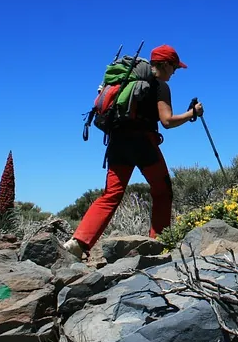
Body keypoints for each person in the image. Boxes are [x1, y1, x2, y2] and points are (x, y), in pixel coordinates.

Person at [63, 44, 203, 259]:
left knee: (111, 194)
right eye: (174, 68)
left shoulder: (123, 81)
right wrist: (191, 113)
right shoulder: (159, 86)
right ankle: (160, 242)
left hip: (117, 142)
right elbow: (167, 121)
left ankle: (79, 242)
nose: (174, 73)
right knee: (162, 190)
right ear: (165, 64)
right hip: (143, 144)